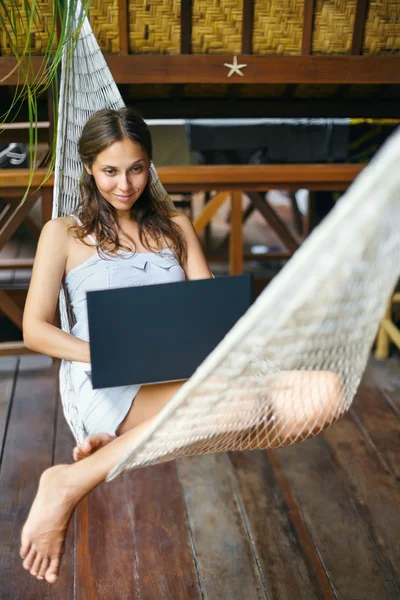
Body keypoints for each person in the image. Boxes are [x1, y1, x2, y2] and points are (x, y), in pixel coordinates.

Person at [20, 108, 345, 584]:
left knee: (327, 391)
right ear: (88, 168)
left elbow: (206, 315)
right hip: (111, 382)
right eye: (109, 171)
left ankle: (120, 447)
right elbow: (34, 329)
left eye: (135, 168)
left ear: (149, 164)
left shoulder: (176, 226)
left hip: (182, 378)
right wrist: (107, 351)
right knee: (246, 402)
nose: (124, 184)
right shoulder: (63, 234)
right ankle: (66, 482)